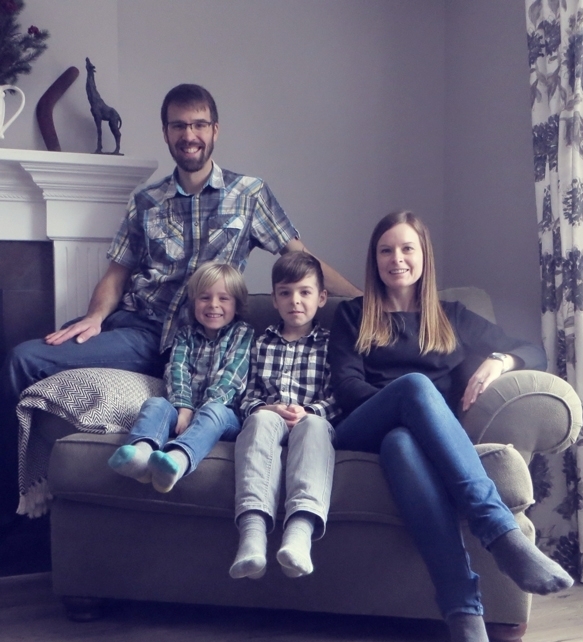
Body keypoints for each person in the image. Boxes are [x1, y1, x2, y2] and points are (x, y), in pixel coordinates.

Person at [0, 82, 359, 524]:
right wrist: (95, 317)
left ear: (214, 130)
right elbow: (117, 271)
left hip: (197, 340)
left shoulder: (249, 195)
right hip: (138, 332)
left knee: (25, 359)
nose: (189, 134)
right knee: (25, 358)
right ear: (166, 132)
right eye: (178, 126)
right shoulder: (146, 201)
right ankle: (12, 510)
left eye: (198, 124)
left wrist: (362, 297)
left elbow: (300, 258)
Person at [328, 211, 574, 642]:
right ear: (374, 260)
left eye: (407, 250)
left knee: (403, 443)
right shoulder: (353, 315)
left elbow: (531, 348)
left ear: (424, 257)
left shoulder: (453, 316)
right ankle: (500, 533)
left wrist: (500, 361)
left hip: (406, 444)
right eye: (386, 251)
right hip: (357, 430)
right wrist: (405, 399)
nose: (397, 259)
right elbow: (349, 391)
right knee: (413, 393)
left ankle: (467, 632)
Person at [229, 251, 340, 580]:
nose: (295, 301)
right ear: (274, 299)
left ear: (321, 298)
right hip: (270, 417)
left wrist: (310, 411)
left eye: (305, 292)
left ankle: (298, 535)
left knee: (315, 426)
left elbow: (339, 396)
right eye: (285, 293)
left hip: (312, 420)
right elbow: (245, 394)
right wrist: (266, 408)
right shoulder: (260, 343)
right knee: (260, 420)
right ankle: (252, 536)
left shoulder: (332, 344)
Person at [108, 261, 252, 494]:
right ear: (193, 302)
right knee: (156, 404)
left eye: (223, 298)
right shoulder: (185, 334)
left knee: (213, 411)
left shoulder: (243, 333)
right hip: (184, 411)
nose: (213, 305)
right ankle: (142, 453)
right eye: (204, 298)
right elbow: (176, 371)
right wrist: (184, 408)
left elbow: (231, 379)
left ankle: (178, 459)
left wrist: (198, 413)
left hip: (225, 414)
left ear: (237, 304)